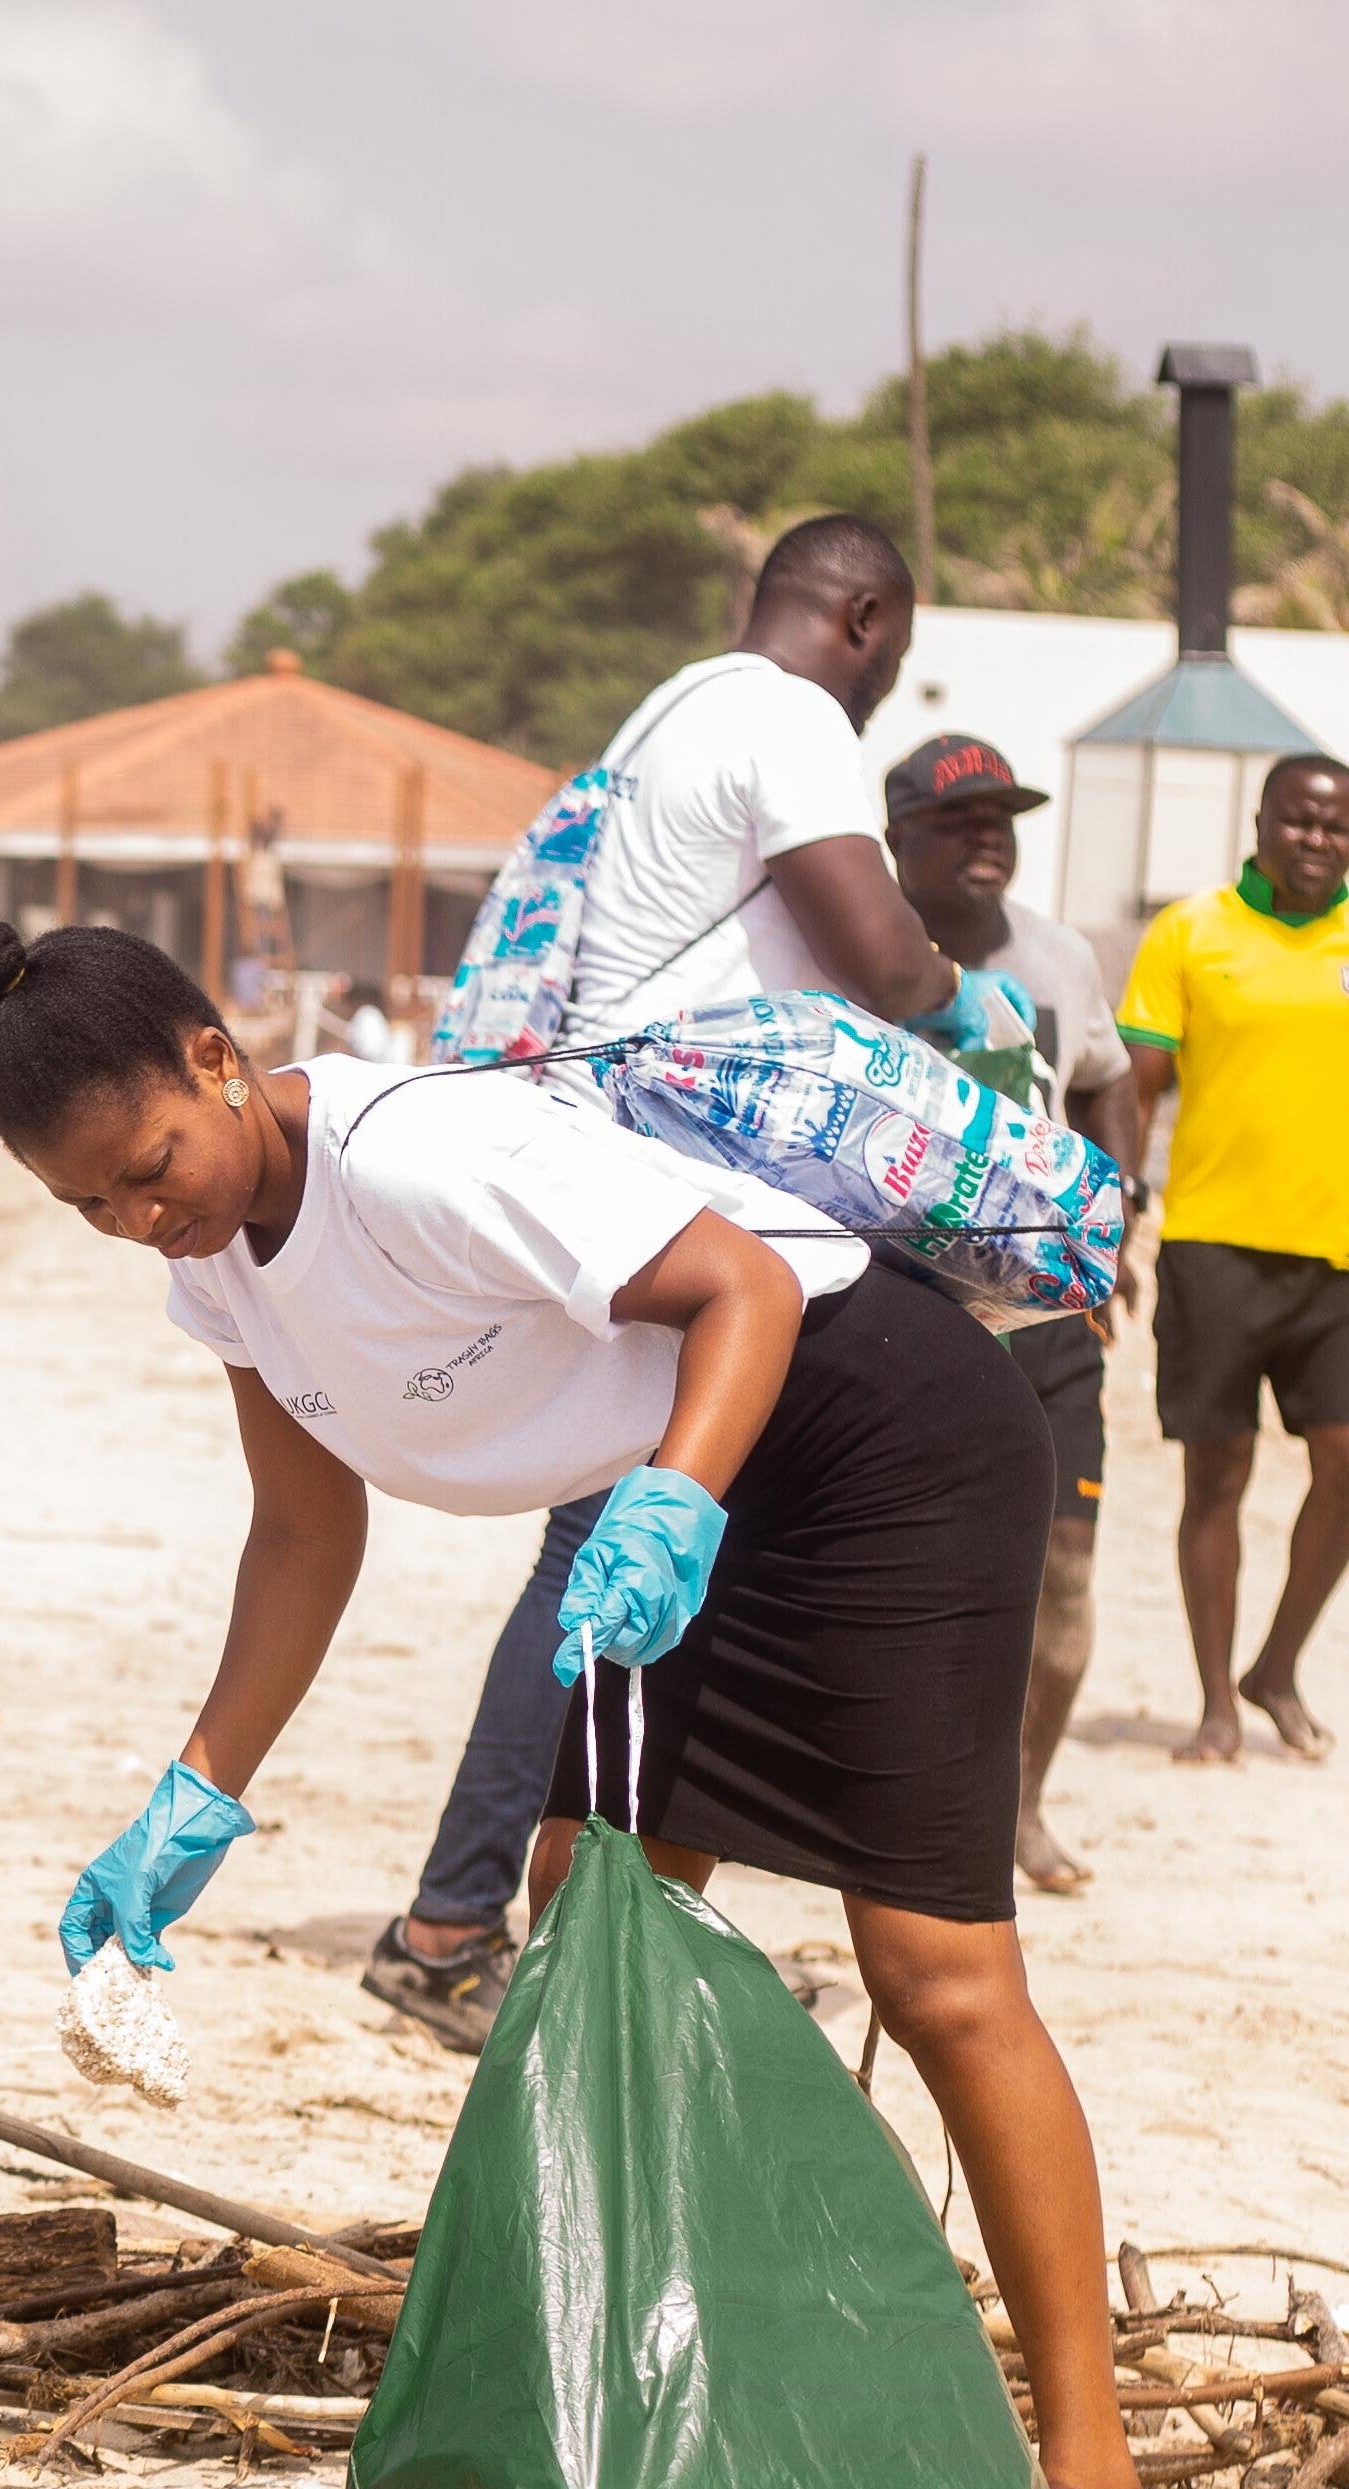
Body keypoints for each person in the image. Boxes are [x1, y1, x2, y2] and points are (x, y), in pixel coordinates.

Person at [0, 887, 1165, 2489]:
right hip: (699, 1478)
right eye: (89, 1206)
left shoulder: (417, 1155)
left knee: (932, 1964)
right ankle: (672, 2375)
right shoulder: (219, 1276)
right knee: (582, 1908)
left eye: (150, 1165)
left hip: (875, 1443)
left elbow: (738, 1286)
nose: (139, 1218)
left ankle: (1097, 2475)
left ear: (221, 1057)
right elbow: (299, 1531)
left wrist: (665, 1505)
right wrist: (195, 1792)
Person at [363, 513, 1030, 2051]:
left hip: (598, 1176)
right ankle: (474, 1928)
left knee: (609, 1570)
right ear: (861, 617)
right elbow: (878, 955)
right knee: (613, 1578)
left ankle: (516, 1923)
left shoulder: (665, 711)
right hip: (684, 1205)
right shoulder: (783, 717)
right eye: (894, 664)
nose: (876, 700)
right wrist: (966, 1005)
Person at [881, 732, 1147, 1890]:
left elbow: (1108, 1084)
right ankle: (877, 1811)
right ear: (897, 835)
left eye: (1005, 817)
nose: (989, 836)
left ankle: (1021, 1809)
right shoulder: (856, 946)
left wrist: (1116, 1221)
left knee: (1068, 1570)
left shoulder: (1059, 957)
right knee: (887, 1572)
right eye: (959, 818)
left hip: (1044, 1322)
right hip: (895, 1316)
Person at [1117, 749, 1349, 1767]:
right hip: (1213, 1245)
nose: (1319, 840)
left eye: (1338, 826)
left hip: (1336, 1258)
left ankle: (1279, 1666)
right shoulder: (1191, 932)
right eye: (1301, 821)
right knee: (1219, 1476)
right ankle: (1217, 1702)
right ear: (1260, 823)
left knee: (1345, 1465)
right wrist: (1110, 1216)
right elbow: (1136, 1091)